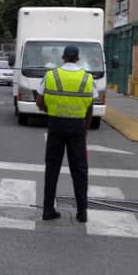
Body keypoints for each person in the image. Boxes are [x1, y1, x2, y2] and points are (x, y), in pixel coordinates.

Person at [35, 44, 95, 223]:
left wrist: (51, 112)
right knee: (80, 170)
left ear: (63, 57)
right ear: (77, 58)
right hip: (77, 126)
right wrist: (84, 129)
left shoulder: (51, 75)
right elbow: (90, 107)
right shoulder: (87, 78)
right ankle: (82, 212)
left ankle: (47, 210)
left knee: (52, 168)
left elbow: (39, 101)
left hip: (55, 125)